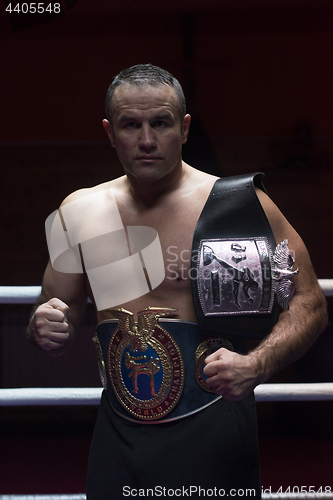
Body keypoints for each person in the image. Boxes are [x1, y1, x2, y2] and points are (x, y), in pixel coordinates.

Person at [27, 64, 328, 499]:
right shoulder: (78, 211)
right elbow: (61, 306)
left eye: (161, 123)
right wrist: (49, 322)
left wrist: (256, 365)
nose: (147, 140)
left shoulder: (239, 206)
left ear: (184, 129)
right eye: (132, 125)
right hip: (117, 429)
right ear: (111, 132)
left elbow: (309, 303)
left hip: (213, 421)